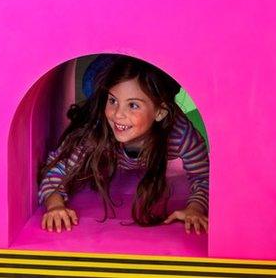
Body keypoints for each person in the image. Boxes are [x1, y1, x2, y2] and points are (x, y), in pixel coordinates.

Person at [38, 55, 209, 234]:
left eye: (133, 105)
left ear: (160, 112)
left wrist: (196, 208)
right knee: (93, 91)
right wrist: (55, 205)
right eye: (112, 101)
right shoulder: (97, 131)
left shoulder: (179, 134)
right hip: (100, 85)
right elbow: (56, 170)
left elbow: (203, 176)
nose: (118, 114)